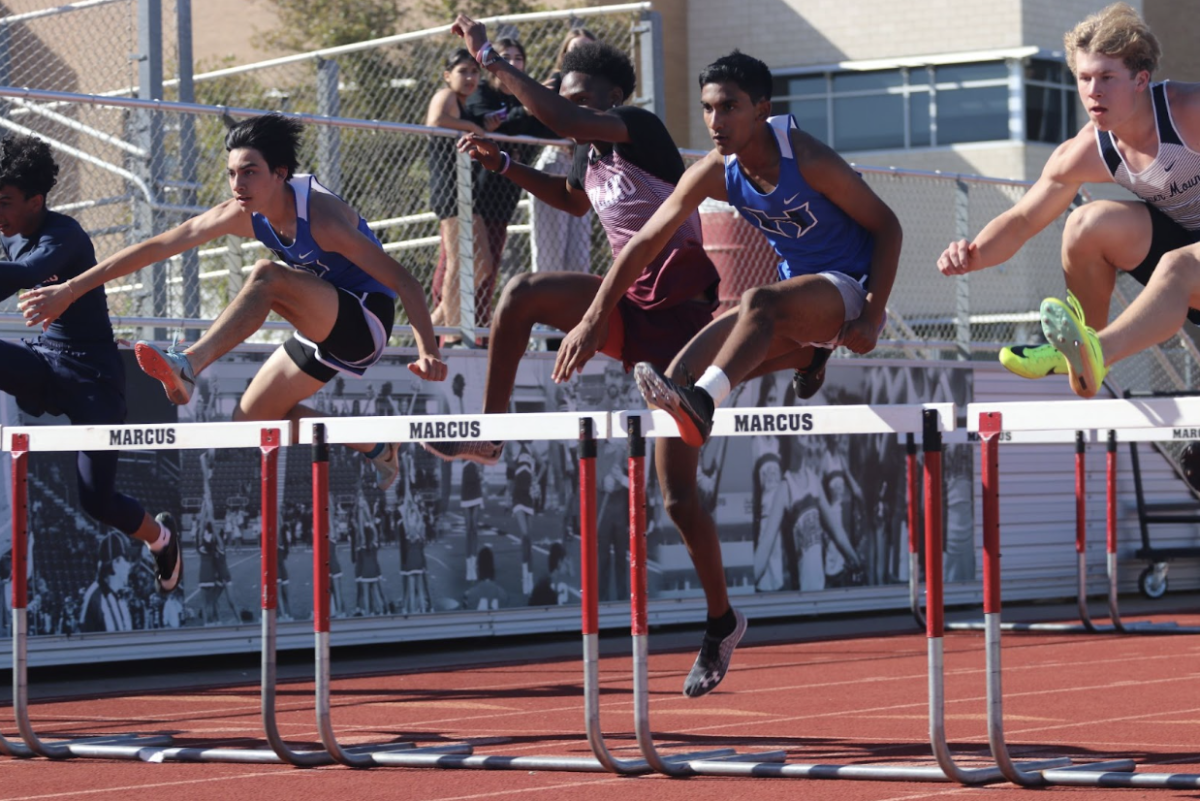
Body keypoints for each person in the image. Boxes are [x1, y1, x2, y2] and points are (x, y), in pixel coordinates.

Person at [621, 51, 901, 695]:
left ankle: (715, 394)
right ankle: (722, 620)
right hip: (791, 301)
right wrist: (591, 316)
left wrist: (876, 312)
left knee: (757, 307)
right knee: (673, 479)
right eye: (708, 109)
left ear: (761, 111)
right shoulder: (717, 174)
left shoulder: (808, 156)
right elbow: (644, 241)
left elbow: (887, 225)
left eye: (728, 108)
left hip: (844, 291)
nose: (715, 121)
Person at [18, 114, 447, 486]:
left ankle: (188, 364)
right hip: (320, 321)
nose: (237, 184)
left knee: (266, 276)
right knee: (251, 424)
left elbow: (405, 281)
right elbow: (159, 245)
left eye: (249, 172)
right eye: (231, 173)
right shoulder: (242, 212)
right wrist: (72, 289)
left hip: (365, 319)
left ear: (280, 173)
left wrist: (428, 351)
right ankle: (377, 446)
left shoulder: (323, 219)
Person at [936, 3, 1200, 399]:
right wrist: (974, 253)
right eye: (1084, 78)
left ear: (1141, 79)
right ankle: (1081, 350)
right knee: (1085, 224)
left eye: (1107, 77)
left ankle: (1099, 351)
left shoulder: (1188, 112)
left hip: (1187, 265)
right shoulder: (1084, 151)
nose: (1093, 91)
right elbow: (1023, 220)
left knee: (1178, 264)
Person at [0, 134, 182, 596]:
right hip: (47, 361)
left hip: (94, 380)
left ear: (35, 200)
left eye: (4, 201)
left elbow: (25, 276)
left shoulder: (64, 236)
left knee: (96, 500)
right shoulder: (11, 236)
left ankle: (161, 539)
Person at [458, 36, 558, 336]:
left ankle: (480, 328)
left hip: (506, 194)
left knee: (492, 266)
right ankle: (453, 329)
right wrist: (521, 113)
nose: (513, 63)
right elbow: (487, 122)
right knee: (467, 264)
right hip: (473, 193)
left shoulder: (522, 98)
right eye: (506, 57)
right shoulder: (483, 92)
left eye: (518, 58)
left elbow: (542, 127)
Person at [426, 48, 491, 346]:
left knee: (483, 265)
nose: (470, 77)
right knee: (457, 260)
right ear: (447, 75)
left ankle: (435, 321)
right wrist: (472, 127)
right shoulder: (446, 95)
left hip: (469, 193)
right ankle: (451, 335)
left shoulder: (465, 105)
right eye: (463, 71)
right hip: (450, 190)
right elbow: (436, 120)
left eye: (474, 72)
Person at [530, 27, 597, 277]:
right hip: (556, 162)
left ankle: (573, 316)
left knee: (579, 259)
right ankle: (543, 316)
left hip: (585, 170)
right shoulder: (557, 83)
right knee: (550, 256)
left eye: (587, 49)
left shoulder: (601, 88)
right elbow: (542, 123)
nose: (581, 54)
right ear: (564, 54)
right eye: (575, 49)